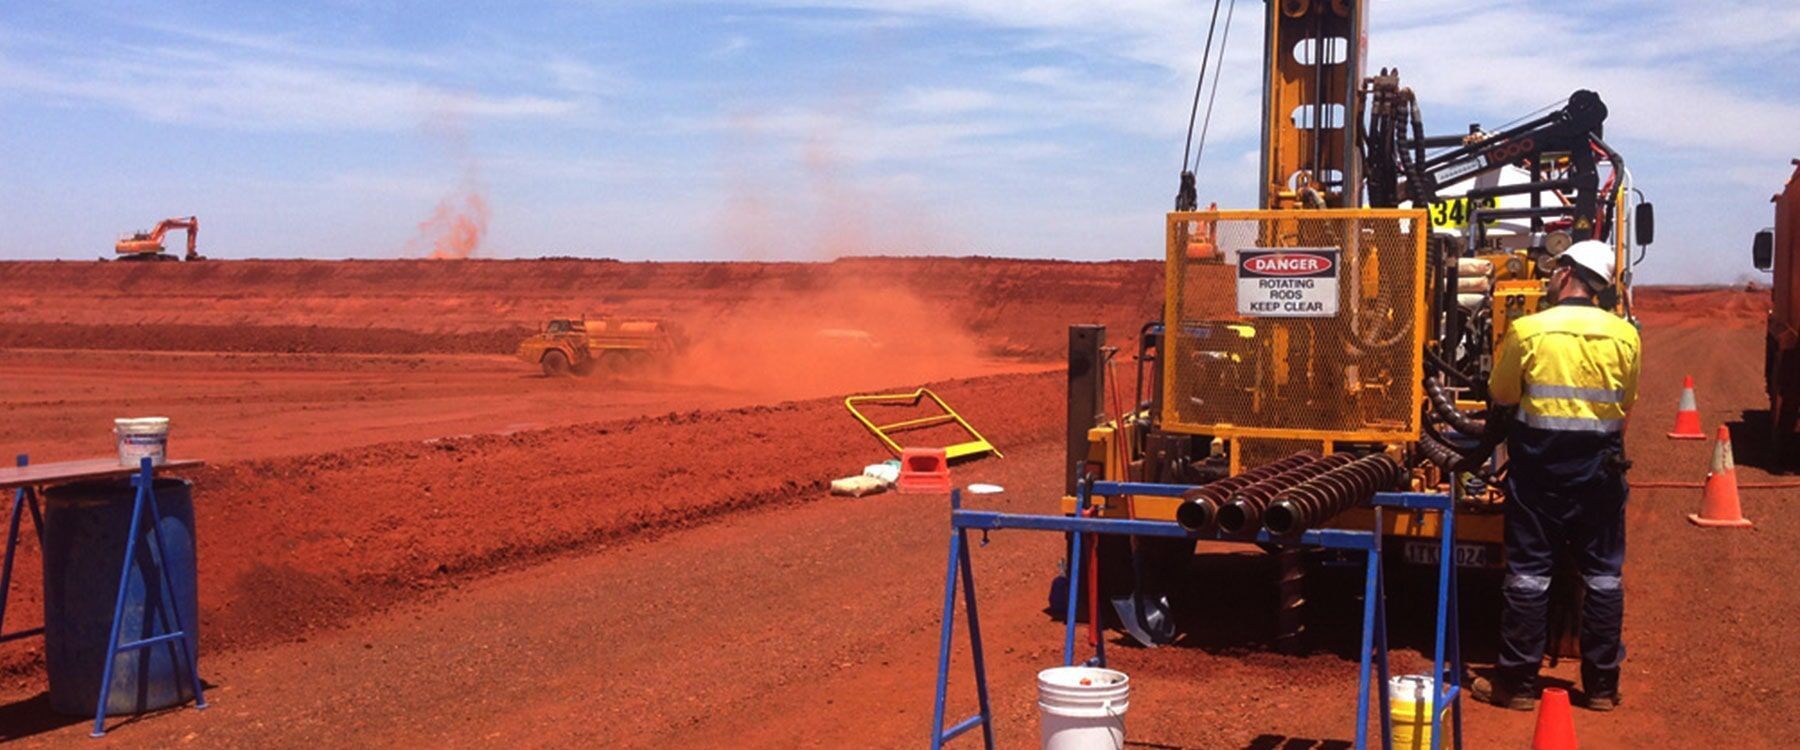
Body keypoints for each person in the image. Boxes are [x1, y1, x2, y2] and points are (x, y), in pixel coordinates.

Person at [1472, 239, 1642, 712]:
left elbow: (1502, 395)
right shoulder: (1625, 335)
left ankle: (1519, 685)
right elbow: (1626, 402)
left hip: (1539, 473)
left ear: (1567, 272)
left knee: (1529, 576)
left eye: (1554, 269)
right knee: (1604, 576)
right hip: (1600, 472)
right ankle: (1602, 687)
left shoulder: (1529, 330)